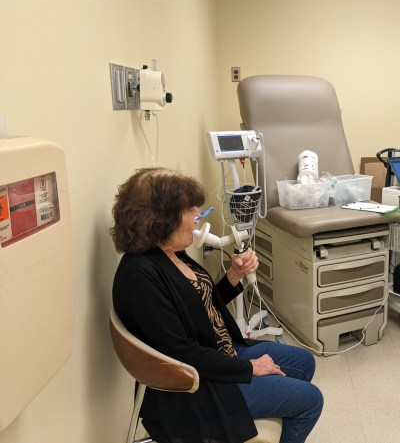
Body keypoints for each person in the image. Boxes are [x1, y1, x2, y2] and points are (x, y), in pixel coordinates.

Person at [110, 167, 323, 442]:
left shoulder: (173, 254)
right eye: (190, 208)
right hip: (202, 382)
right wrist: (250, 369)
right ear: (160, 218)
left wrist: (234, 276)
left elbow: (201, 307)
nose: (198, 214)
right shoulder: (141, 276)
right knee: (311, 401)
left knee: (304, 362)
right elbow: (182, 352)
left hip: (220, 353)